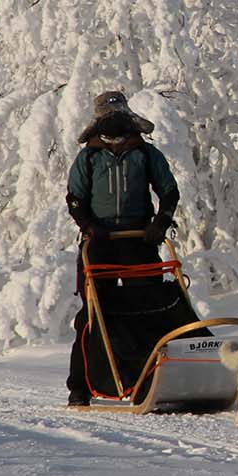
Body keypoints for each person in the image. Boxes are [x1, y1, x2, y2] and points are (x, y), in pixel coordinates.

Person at [65, 89, 181, 407]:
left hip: (138, 239)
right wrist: (89, 227)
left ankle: (148, 379)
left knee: (146, 308)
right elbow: (74, 198)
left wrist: (161, 222)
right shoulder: (89, 156)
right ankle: (80, 386)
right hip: (100, 242)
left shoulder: (144, 153)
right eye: (108, 115)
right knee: (93, 313)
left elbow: (169, 191)